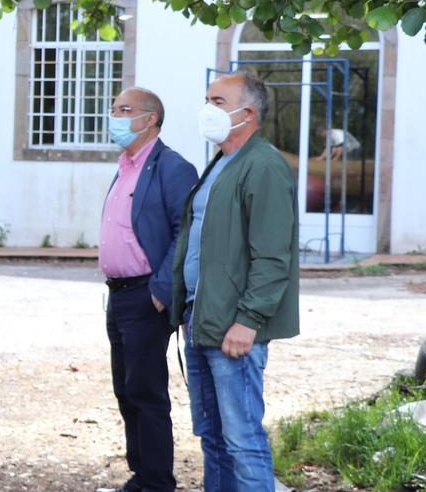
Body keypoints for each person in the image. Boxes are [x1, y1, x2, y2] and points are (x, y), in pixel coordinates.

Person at [171, 71, 300, 491]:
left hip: (234, 328)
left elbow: (272, 256)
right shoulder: (222, 162)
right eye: (207, 99)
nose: (207, 110)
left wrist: (248, 320)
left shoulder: (263, 166)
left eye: (218, 102)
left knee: (243, 441)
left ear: (248, 112)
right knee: (213, 437)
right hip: (202, 320)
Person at [99, 87, 197, 492]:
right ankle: (141, 475)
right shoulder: (126, 165)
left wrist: (161, 289)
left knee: (146, 393)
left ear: (150, 119)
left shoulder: (172, 167)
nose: (115, 116)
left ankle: (157, 483)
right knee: (126, 389)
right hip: (118, 294)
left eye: (125, 110)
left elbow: (186, 232)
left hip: (145, 295)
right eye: (114, 108)